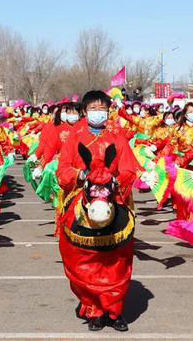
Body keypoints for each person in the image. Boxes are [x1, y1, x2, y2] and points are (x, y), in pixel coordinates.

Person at [56, 90, 139, 332]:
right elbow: (63, 171)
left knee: (116, 262)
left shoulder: (117, 138)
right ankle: (94, 309)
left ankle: (114, 311)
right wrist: (80, 175)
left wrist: (115, 180)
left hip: (114, 198)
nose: (97, 113)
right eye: (93, 109)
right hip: (82, 196)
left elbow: (129, 170)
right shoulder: (74, 138)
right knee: (83, 262)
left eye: (102, 108)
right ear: (84, 111)